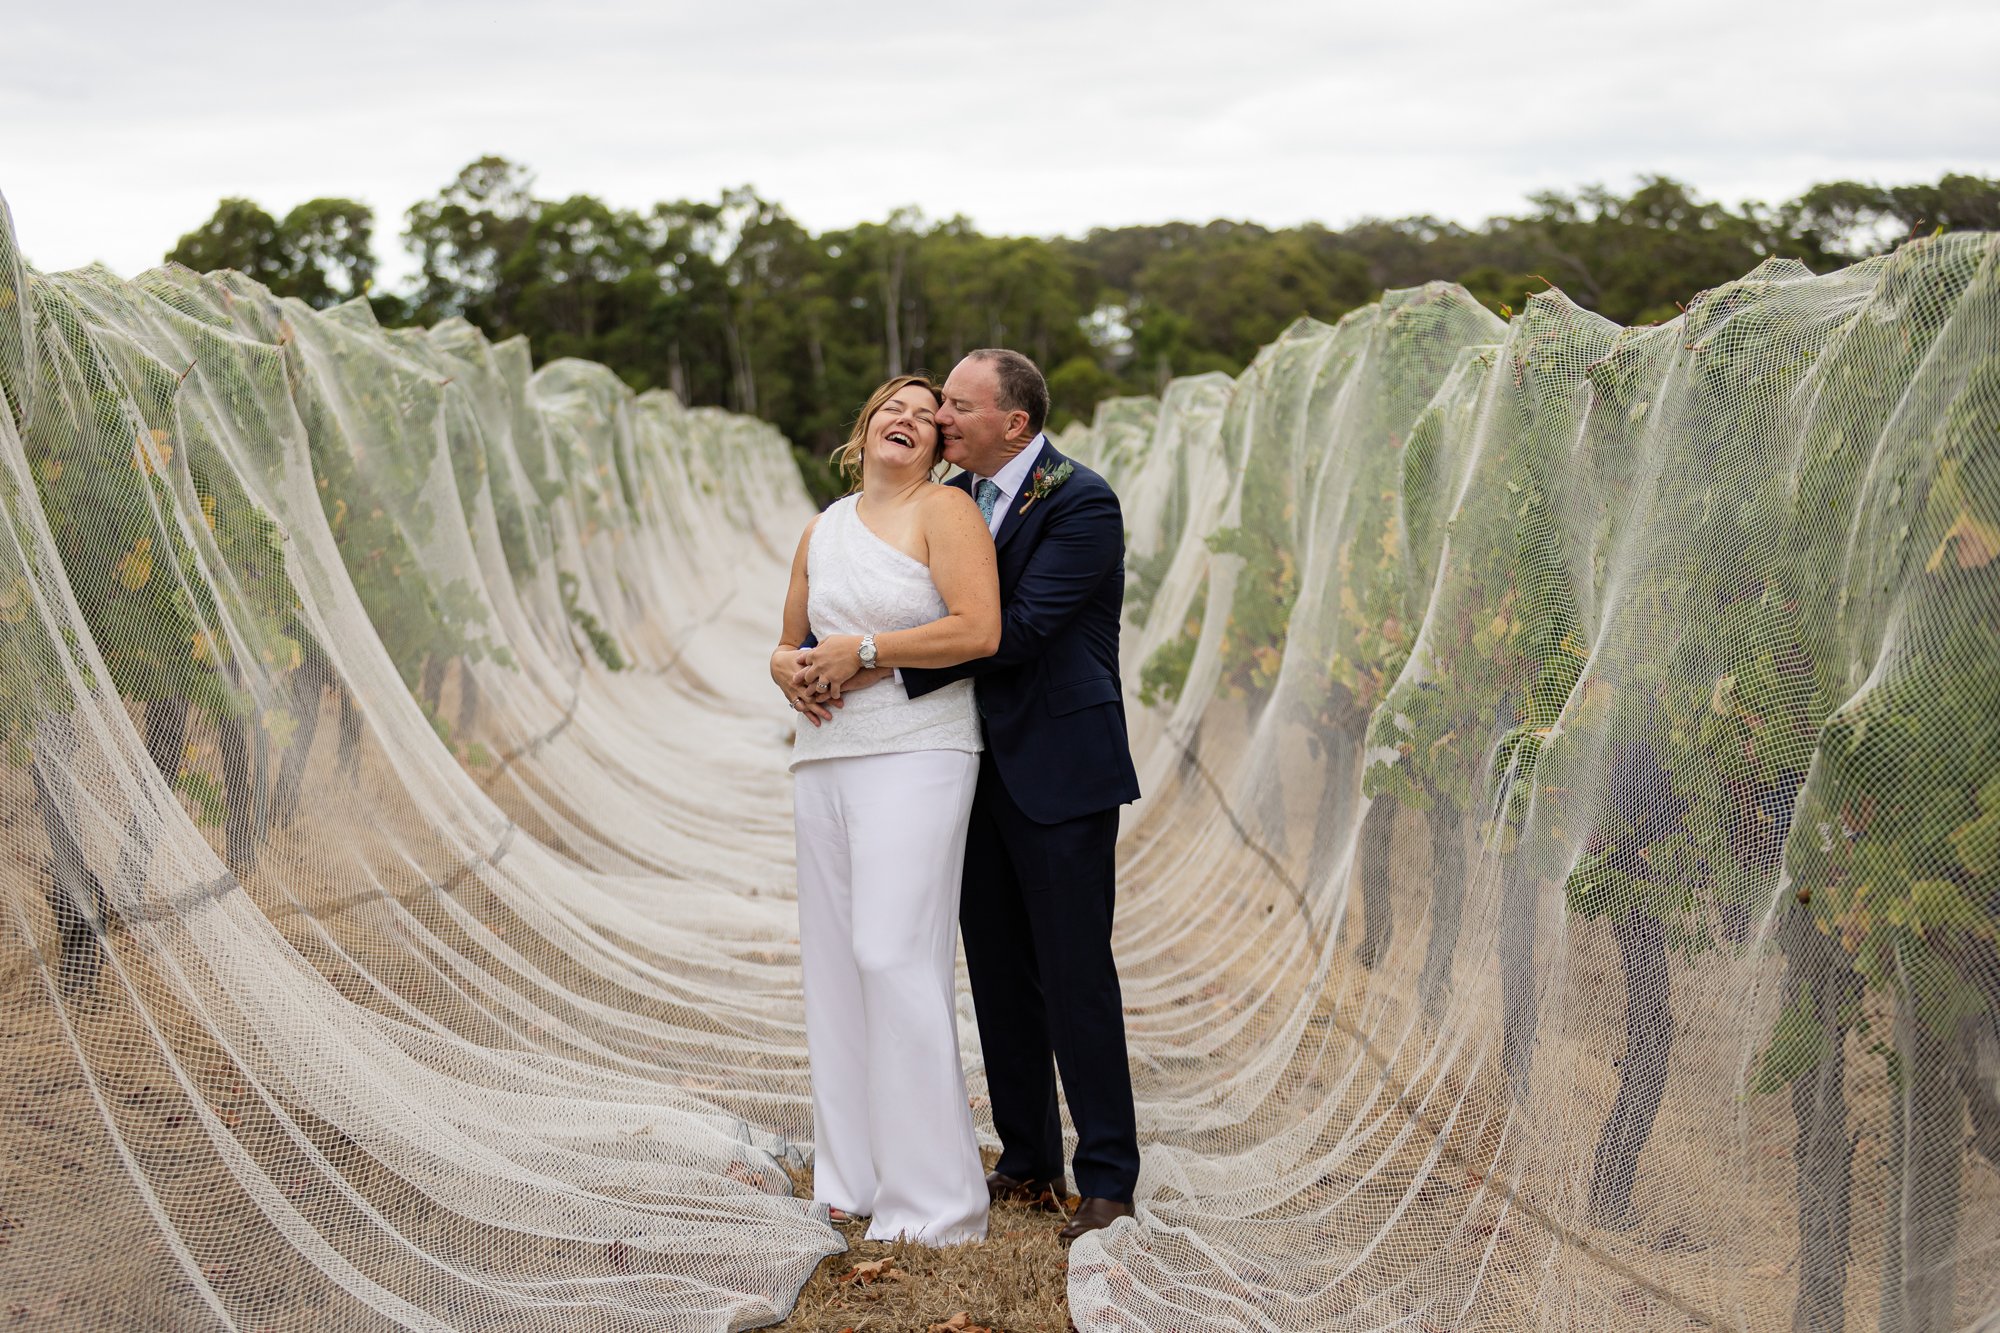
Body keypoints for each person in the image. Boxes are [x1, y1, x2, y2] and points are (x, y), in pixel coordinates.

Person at [791, 349, 1142, 1243]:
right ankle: (1026, 1158)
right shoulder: (966, 497)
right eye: (933, 401)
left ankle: (1106, 1177)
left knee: (1073, 971)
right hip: (970, 763)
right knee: (996, 971)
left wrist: (863, 658)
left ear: (1012, 423)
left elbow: (1011, 631)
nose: (941, 415)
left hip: (1058, 763)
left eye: (956, 402)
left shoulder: (1080, 499)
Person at [771, 374, 1000, 1245]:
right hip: (824, 757)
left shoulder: (947, 513)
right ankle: (850, 1177)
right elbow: (789, 641)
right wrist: (782, 668)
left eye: (923, 414)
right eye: (890, 409)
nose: (906, 419)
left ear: (938, 445)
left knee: (893, 954)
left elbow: (980, 629)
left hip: (921, 750)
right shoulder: (819, 527)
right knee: (834, 965)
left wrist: (865, 650)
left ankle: (938, 1203)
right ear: (864, 429)